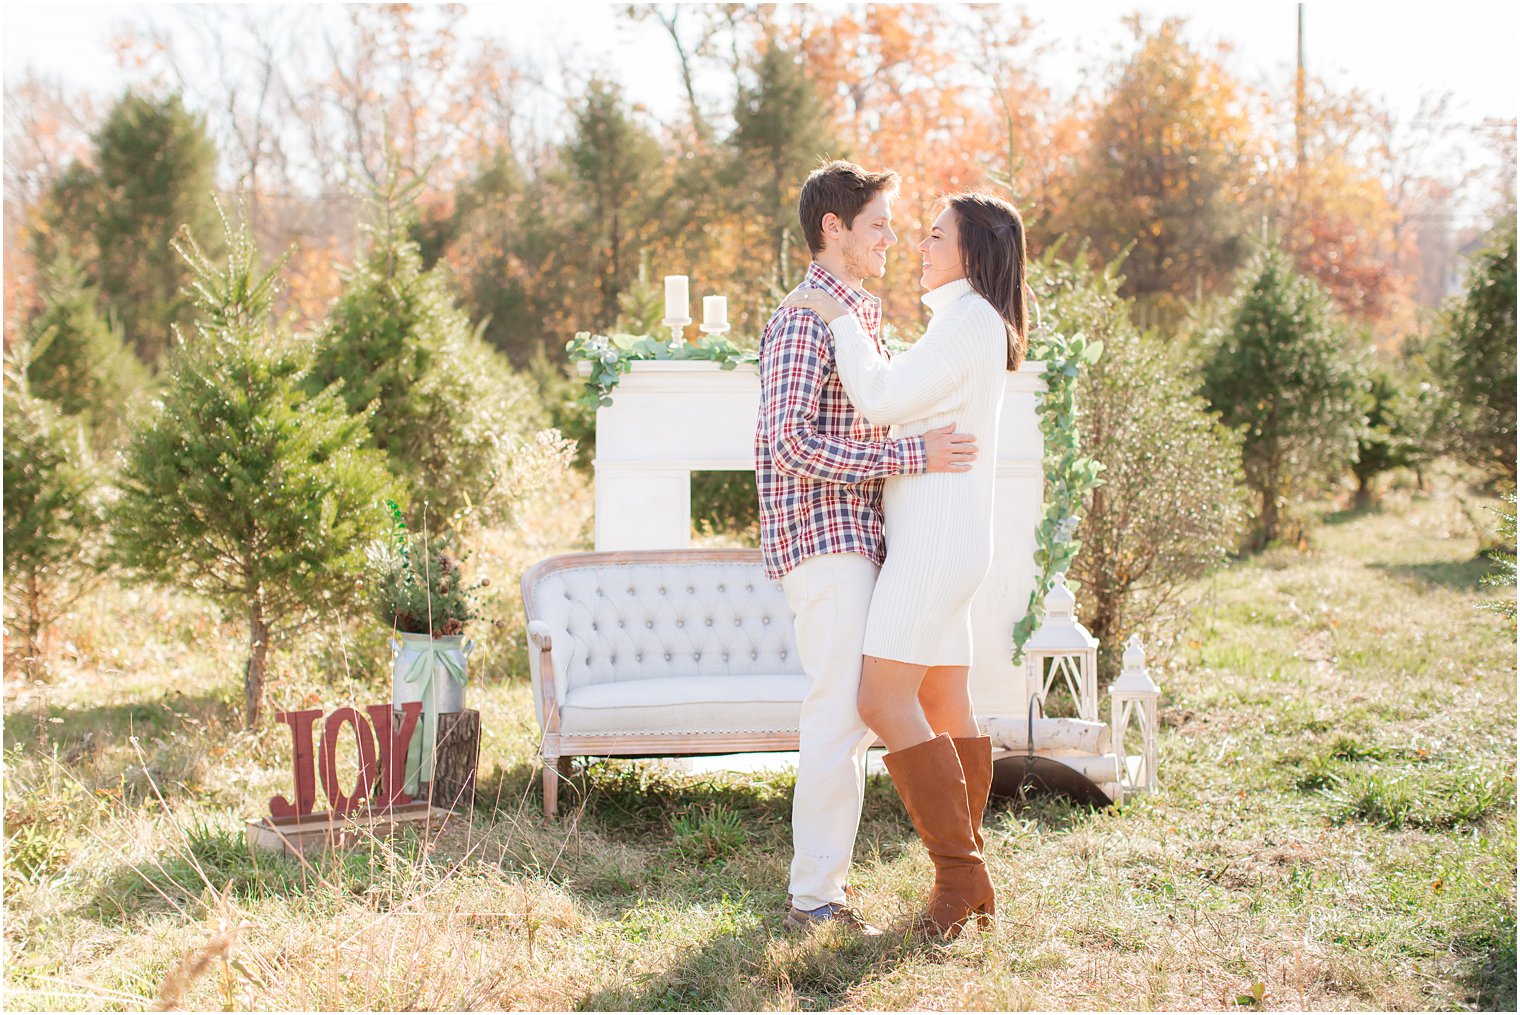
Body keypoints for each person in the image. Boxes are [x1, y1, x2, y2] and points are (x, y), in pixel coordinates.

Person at [779, 191, 1029, 938]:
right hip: (946, 540)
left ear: (972, 251)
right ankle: (966, 873)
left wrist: (844, 321)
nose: (918, 245)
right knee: (947, 705)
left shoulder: (970, 321)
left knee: (882, 698)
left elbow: (882, 397)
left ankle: (959, 874)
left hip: (933, 543)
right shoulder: (961, 323)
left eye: (933, 235)